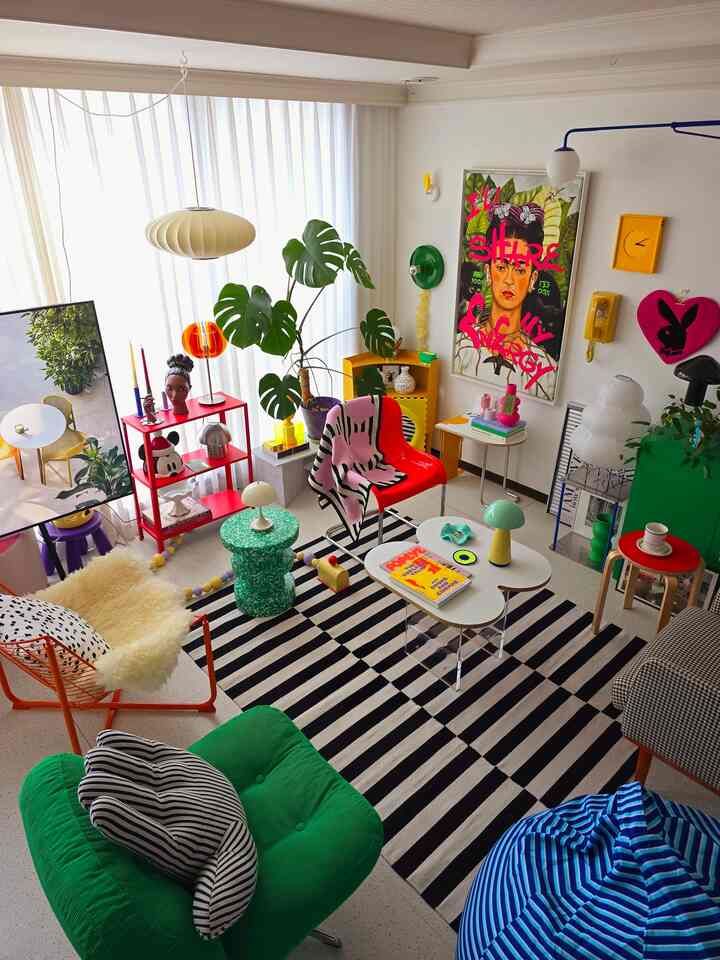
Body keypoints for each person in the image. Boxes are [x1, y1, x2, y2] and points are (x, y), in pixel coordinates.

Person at [457, 202, 560, 401]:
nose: (509, 280)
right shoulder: (461, 350)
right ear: (488, 272)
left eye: (520, 269)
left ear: (532, 279)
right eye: (502, 266)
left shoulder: (546, 374)